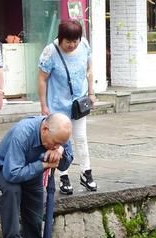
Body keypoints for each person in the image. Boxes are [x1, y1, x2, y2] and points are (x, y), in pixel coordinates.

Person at [0, 113, 73, 238]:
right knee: (13, 191)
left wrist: (61, 152)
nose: (56, 146)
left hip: (32, 173)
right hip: (4, 170)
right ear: (44, 129)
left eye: (61, 143)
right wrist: (44, 165)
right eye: (55, 143)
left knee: (35, 219)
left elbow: (64, 165)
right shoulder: (23, 133)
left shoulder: (60, 135)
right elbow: (12, 174)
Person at [38, 19, 97, 195]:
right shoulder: (50, 52)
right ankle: (63, 176)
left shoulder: (84, 45)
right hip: (57, 105)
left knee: (81, 138)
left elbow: (89, 69)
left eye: (75, 41)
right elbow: (42, 79)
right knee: (60, 142)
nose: (72, 45)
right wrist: (43, 105)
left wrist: (91, 92)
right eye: (68, 41)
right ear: (60, 38)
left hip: (78, 104)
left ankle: (86, 172)